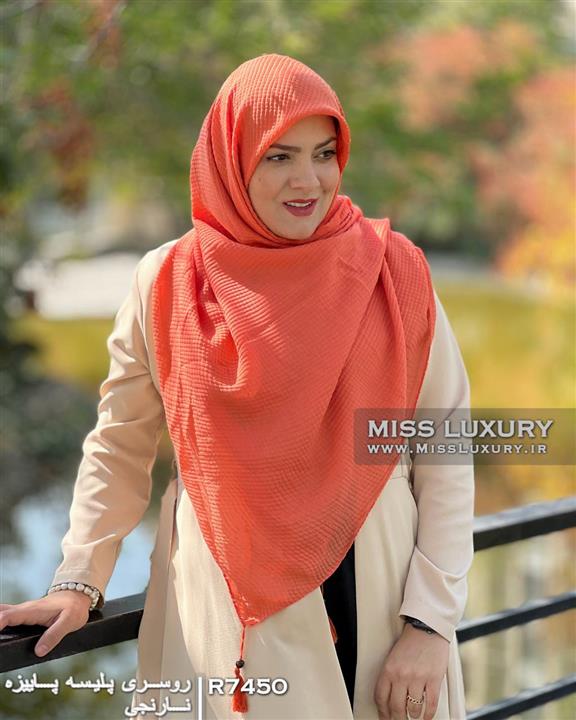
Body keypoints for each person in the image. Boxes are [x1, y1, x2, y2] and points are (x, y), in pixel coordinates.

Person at [0, 54, 474, 720]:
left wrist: (429, 625)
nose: (308, 180)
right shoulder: (167, 281)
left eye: (323, 154)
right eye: (278, 157)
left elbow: (446, 452)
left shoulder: (395, 272)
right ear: (231, 160)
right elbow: (120, 444)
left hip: (380, 598)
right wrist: (79, 580)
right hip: (222, 610)